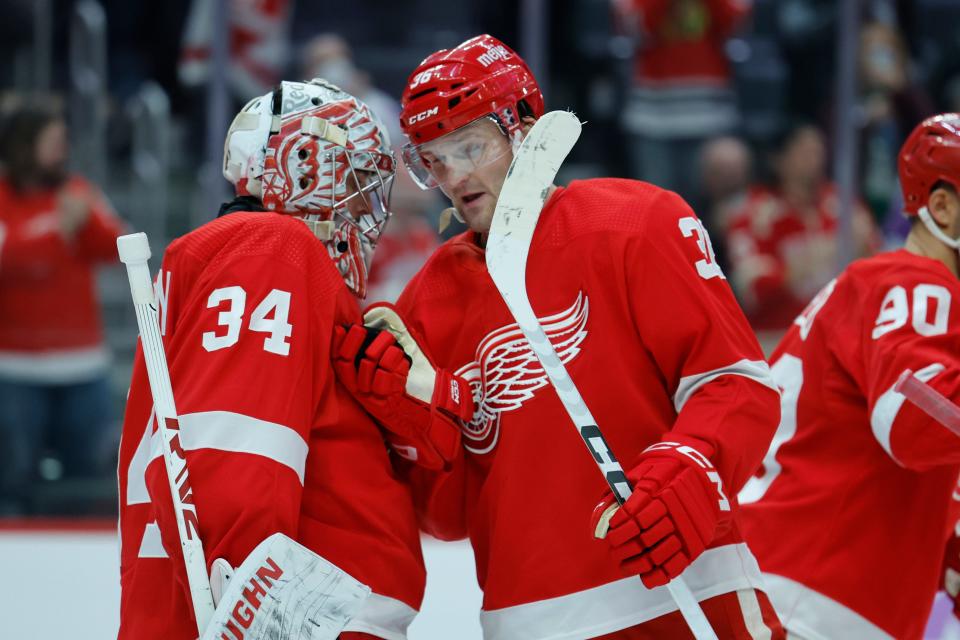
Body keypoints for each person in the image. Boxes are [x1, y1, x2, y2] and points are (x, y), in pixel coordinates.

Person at [335, 35, 785, 639]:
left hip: (686, 595)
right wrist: (421, 435)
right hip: (527, 620)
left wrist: (693, 466)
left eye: (470, 146)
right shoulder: (426, 302)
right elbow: (447, 520)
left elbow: (737, 383)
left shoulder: (636, 221)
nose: (453, 178)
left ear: (522, 128)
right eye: (433, 161)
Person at [117, 80, 425, 639]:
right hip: (295, 622)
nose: (369, 212)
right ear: (302, 170)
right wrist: (256, 623)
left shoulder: (237, 257)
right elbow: (228, 462)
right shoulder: (270, 247)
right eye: (356, 184)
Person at [738, 113, 960, 640]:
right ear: (942, 207)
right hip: (807, 597)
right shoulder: (913, 280)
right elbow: (913, 419)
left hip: (805, 589)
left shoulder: (897, 289)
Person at [0, 99, 126, 514]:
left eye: (63, 141)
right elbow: (12, 256)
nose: (61, 151)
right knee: (13, 481)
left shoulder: (77, 192)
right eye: (52, 141)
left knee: (88, 478)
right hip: (15, 368)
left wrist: (83, 223)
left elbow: (118, 246)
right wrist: (60, 231)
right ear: (23, 145)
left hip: (82, 366)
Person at [725, 122, 878, 340]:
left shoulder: (844, 205)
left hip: (840, 334)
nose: (814, 158)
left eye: (818, 150)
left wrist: (862, 248)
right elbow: (750, 287)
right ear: (778, 159)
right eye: (804, 150)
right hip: (776, 337)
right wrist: (815, 256)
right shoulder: (753, 213)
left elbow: (876, 264)